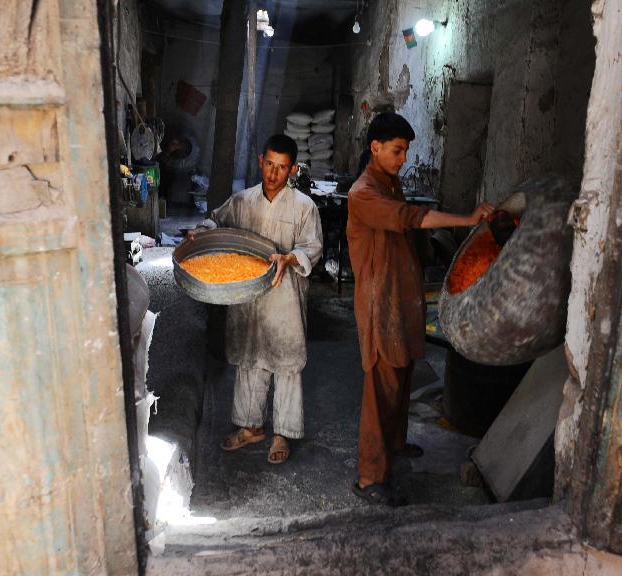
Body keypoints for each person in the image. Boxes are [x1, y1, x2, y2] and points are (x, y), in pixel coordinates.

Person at [347, 113, 495, 505]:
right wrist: (465, 219)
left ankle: (394, 444)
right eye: (397, 151)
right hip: (380, 304)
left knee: (402, 376)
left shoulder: (390, 183)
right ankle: (369, 477)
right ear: (375, 148)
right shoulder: (363, 194)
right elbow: (410, 219)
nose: (403, 158)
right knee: (380, 388)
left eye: (406, 151)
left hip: (401, 297)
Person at [189, 134, 323, 464]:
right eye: (269, 165)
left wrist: (289, 258)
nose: (273, 174)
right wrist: (200, 231)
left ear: (292, 170)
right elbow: (216, 221)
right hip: (247, 296)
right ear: (260, 160)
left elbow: (313, 248)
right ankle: (251, 427)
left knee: (286, 362)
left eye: (281, 168)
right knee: (250, 358)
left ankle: (283, 433)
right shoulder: (243, 200)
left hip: (284, 298)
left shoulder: (304, 207)